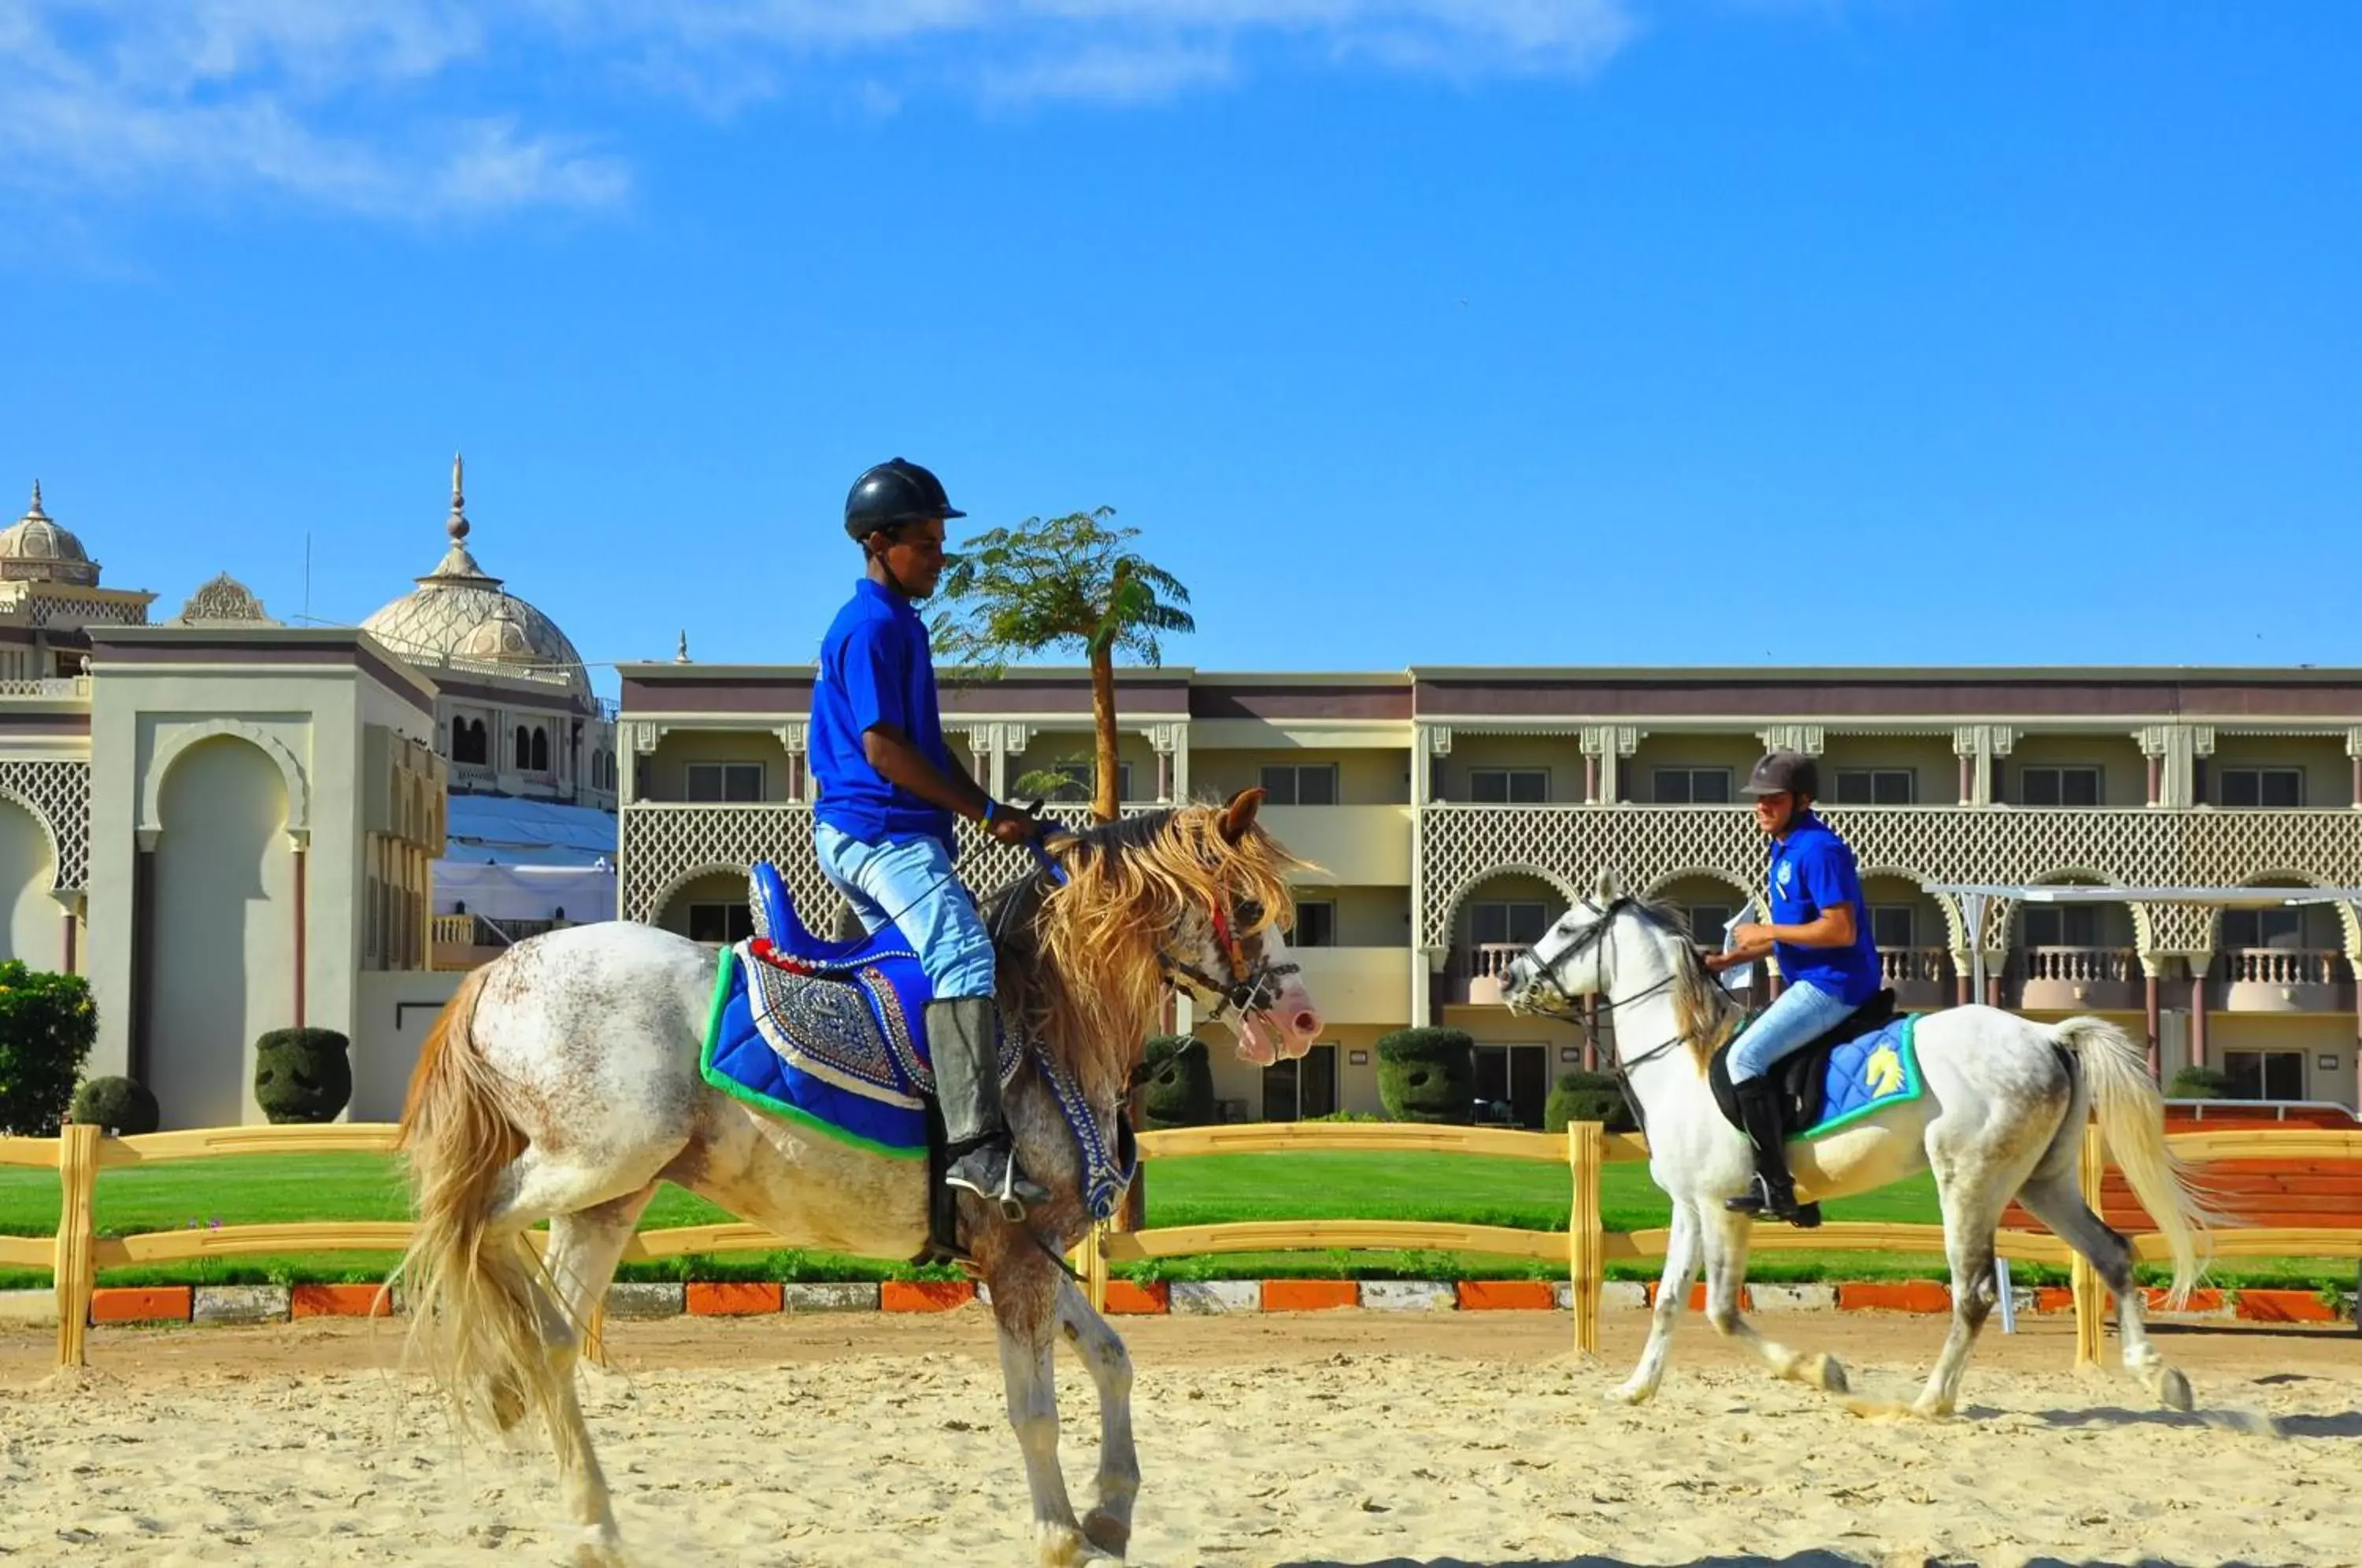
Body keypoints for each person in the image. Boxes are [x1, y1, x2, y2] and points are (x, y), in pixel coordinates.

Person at [809, 457, 1050, 1214]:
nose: (942, 558)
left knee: (916, 977)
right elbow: (885, 752)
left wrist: (991, 808)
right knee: (964, 953)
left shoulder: (902, 627)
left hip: (885, 831)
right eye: (928, 543)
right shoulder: (872, 628)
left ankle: (906, 1131)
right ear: (880, 542)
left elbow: (928, 747)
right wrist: (981, 815)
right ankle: (977, 1149)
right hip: (878, 831)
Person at [1702, 750, 1882, 1226]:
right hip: (1813, 978)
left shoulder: (1820, 850)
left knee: (1743, 1060)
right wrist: (1736, 957)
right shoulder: (1784, 846)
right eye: (1758, 800)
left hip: (1835, 985)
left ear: (1802, 800)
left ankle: (1777, 1187)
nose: (1761, 807)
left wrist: (1768, 933)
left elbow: (1839, 931)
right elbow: (1801, 930)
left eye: (1773, 799)